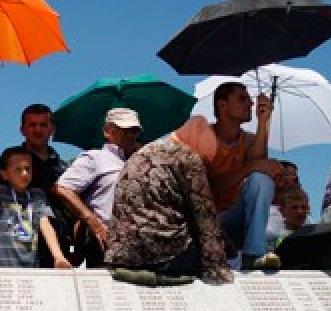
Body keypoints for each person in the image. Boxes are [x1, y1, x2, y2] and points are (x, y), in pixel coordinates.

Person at [105, 118, 232, 286]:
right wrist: (219, 268)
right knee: (219, 249)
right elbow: (204, 217)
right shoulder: (188, 157)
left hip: (122, 253)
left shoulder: (143, 152)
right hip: (163, 255)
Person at [180, 83, 282, 270]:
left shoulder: (249, 140)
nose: (250, 103)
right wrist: (250, 167)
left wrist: (263, 122)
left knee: (262, 180)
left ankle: (253, 255)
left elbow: (258, 173)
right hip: (200, 220)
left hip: (231, 220)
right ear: (222, 105)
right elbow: (209, 190)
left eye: (249, 99)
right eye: (242, 99)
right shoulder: (203, 136)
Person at [52, 107, 143, 268]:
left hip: (138, 244)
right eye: (125, 130)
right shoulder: (95, 158)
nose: (131, 135)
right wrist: (93, 222)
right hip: (105, 241)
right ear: (108, 131)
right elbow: (63, 188)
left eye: (134, 130)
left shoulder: (139, 161)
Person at [0, 103, 71, 266]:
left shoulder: (63, 167)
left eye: (43, 125)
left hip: (58, 247)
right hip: (18, 249)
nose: (38, 130)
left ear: (52, 129)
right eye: (32, 125)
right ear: (22, 130)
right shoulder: (10, 159)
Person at [0, 147, 70, 269]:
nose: (25, 173)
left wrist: (59, 257)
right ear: (4, 174)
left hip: (30, 268)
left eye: (28, 169)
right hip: (0, 267)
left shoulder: (37, 195)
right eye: (18, 169)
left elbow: (46, 225)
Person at [267, 186, 310, 251]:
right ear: (282, 211)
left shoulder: (312, 234)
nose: (300, 212)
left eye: (303, 207)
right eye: (294, 208)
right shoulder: (280, 239)